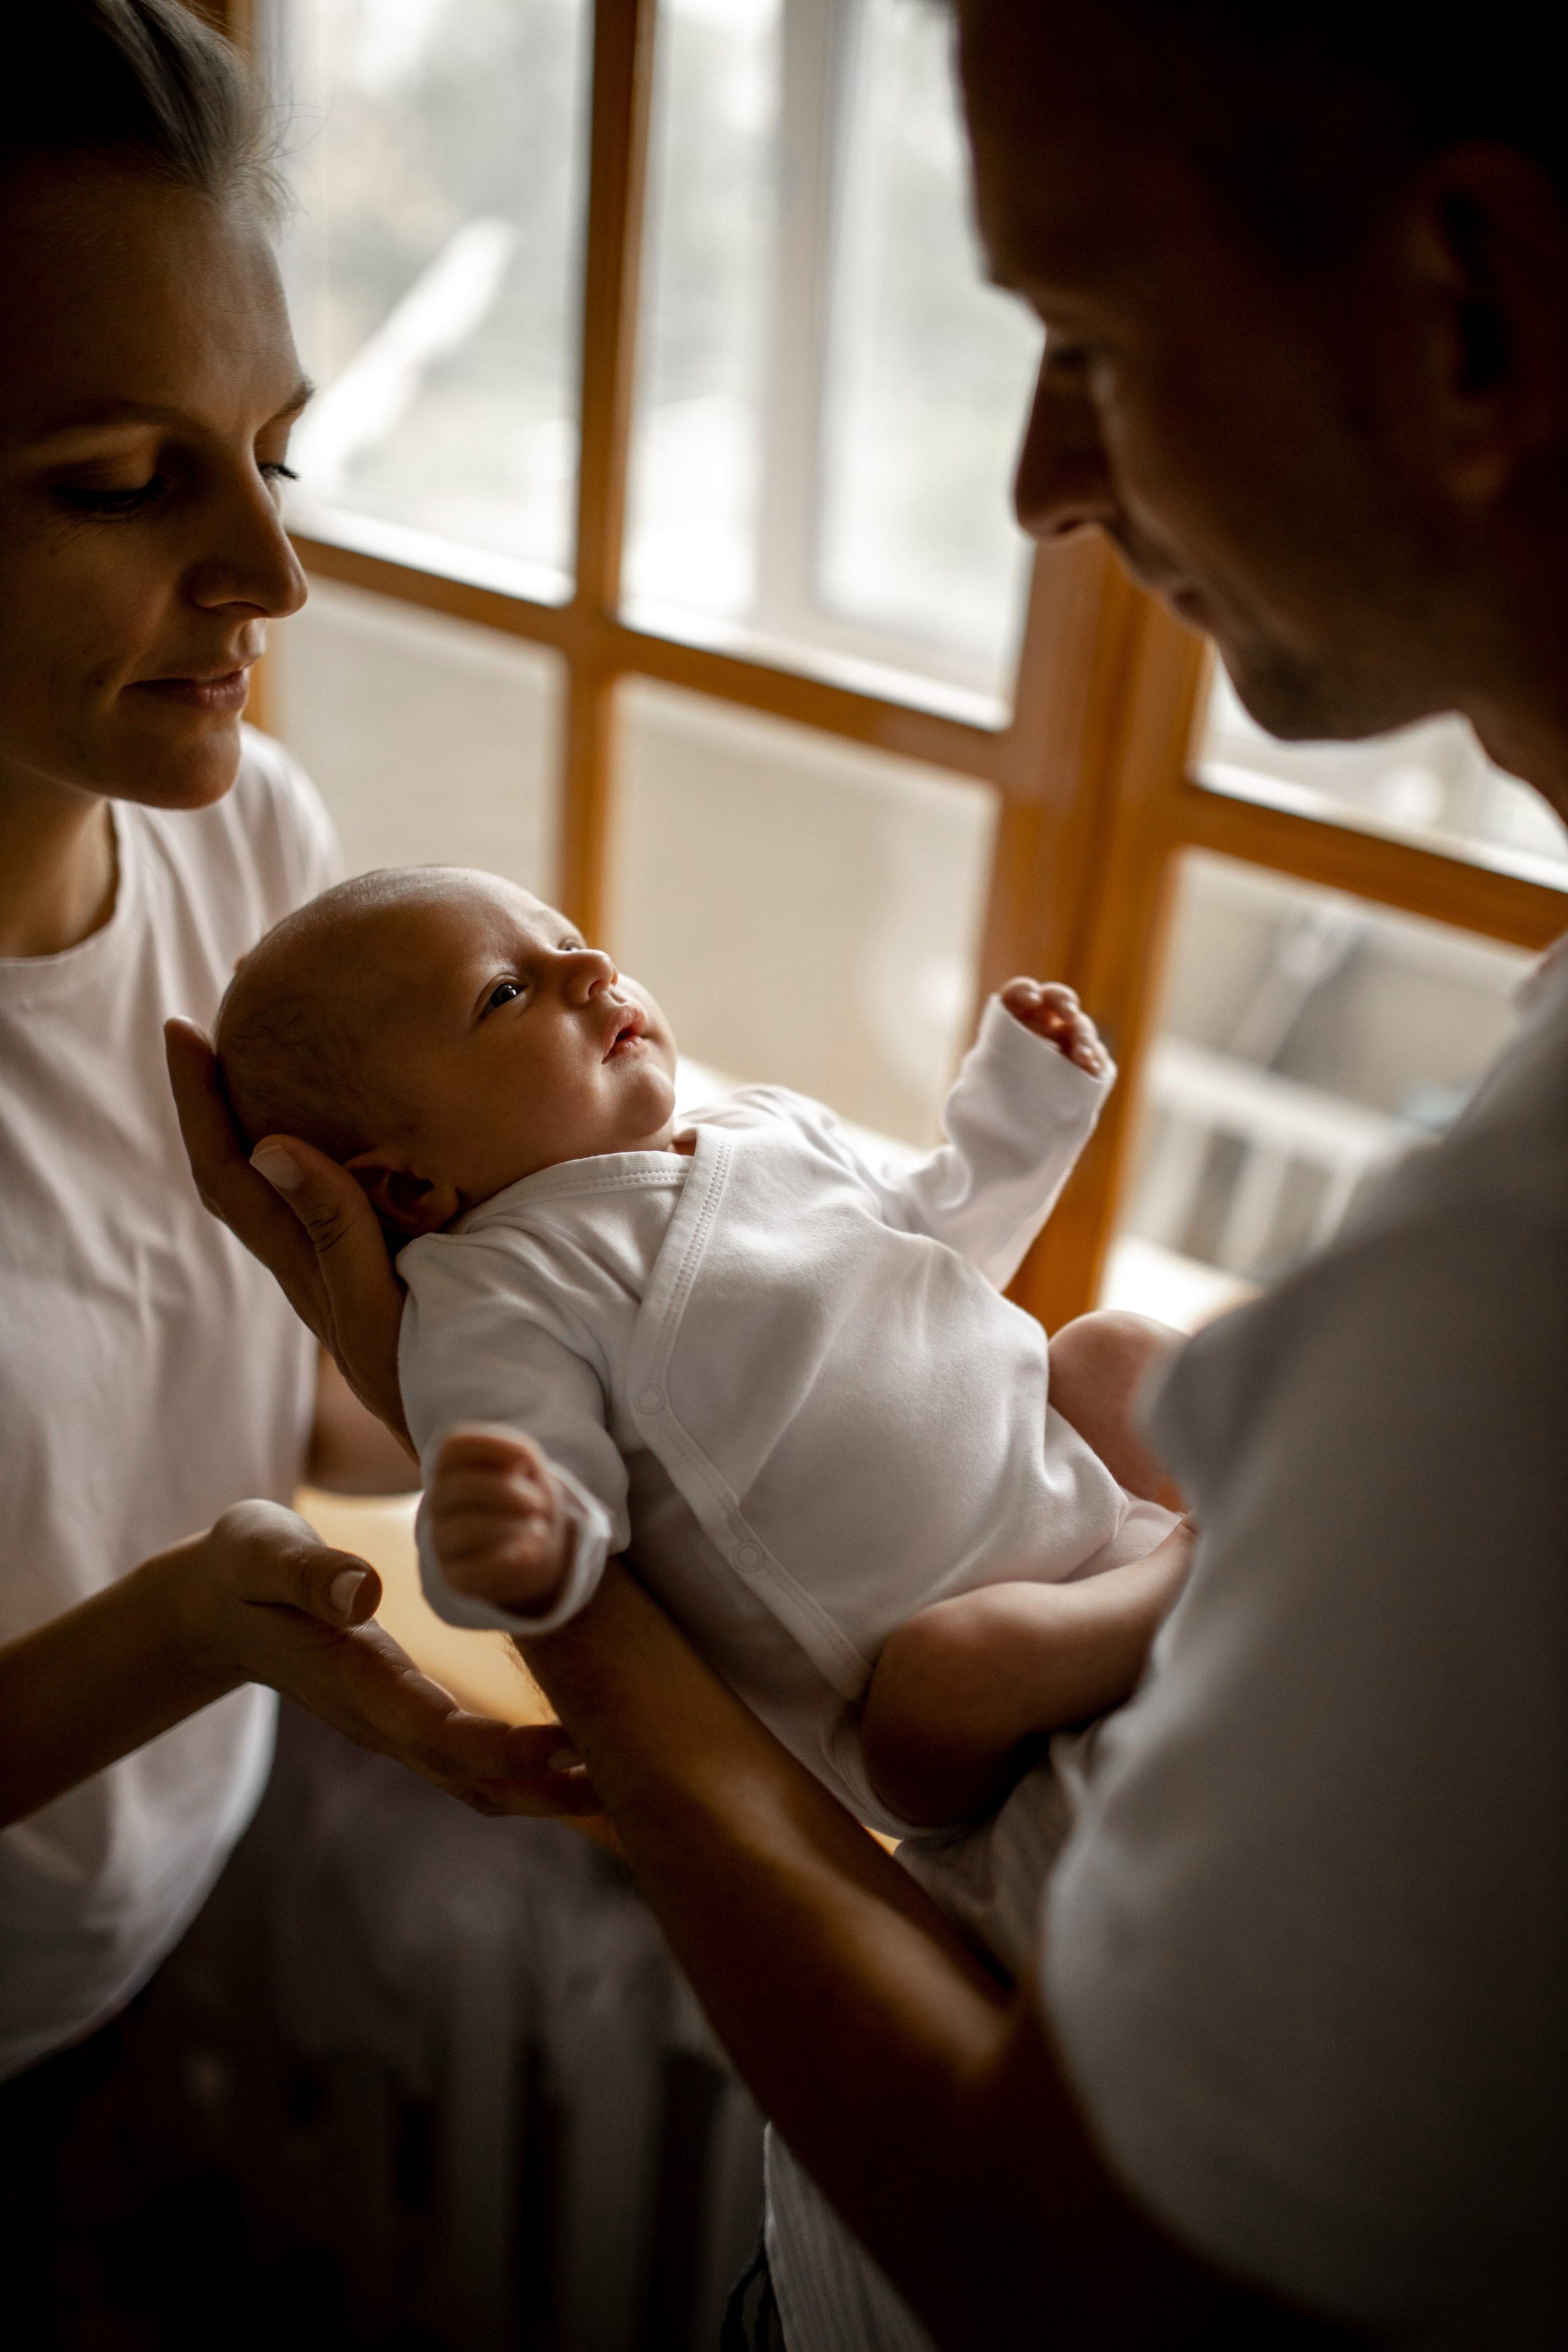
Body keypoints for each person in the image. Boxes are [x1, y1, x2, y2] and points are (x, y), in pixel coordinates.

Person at [175, 0, 1568, 2343]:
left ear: (1470, 314)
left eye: (1088, 338)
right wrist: (499, 1483)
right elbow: (526, 1441)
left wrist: (1009, 1136)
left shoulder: (1492, 1312)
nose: (1039, 484)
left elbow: (1071, 2271)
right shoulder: (536, 1263)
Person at [0, 0, 595, 2169]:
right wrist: (198, 1624)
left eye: (278, 453)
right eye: (119, 483)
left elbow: (315, 1381)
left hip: (124, 1931)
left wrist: (573, 1341)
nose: (272, 577)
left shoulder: (244, 843)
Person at [211, 864, 1191, 1838]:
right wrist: (512, 1542)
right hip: (932, 1698)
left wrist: (1018, 1119)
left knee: (1118, 1350)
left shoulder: (765, 1125)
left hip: (1072, 1505)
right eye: (507, 993)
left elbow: (940, 1247)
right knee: (958, 1662)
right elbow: (516, 1458)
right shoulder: (497, 1283)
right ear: (410, 1192)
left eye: (567, 941)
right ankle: (1193, 1565)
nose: (592, 968)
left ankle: (1159, 1566)